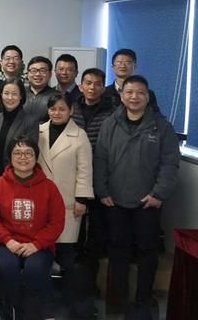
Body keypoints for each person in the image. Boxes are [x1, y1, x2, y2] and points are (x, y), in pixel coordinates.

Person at [94, 75, 179, 318]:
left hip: (148, 203)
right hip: (115, 200)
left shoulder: (161, 127)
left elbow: (170, 164)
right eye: (129, 92)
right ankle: (117, 302)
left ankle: (142, 302)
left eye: (139, 92)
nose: (134, 97)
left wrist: (158, 193)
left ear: (147, 96)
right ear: (121, 96)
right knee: (117, 251)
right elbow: (100, 159)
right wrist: (103, 191)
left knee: (147, 252)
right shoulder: (110, 124)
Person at [0, 136, 65, 320]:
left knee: (35, 268)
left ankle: (34, 314)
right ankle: (9, 312)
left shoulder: (49, 187)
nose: (23, 157)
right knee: (7, 267)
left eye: (28, 153)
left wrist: (36, 244)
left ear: (36, 157)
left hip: (39, 246)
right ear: (10, 157)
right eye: (18, 153)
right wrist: (8, 241)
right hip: (7, 244)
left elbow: (56, 223)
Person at [37, 93, 94, 316]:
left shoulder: (79, 136)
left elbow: (85, 170)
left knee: (66, 253)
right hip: (41, 200)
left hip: (68, 203)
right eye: (53, 109)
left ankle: (69, 303)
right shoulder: (39, 130)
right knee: (42, 251)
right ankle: (44, 299)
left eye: (62, 109)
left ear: (70, 110)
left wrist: (82, 199)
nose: (56, 113)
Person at [70, 67, 115, 294]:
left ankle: (90, 285)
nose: (92, 87)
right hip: (72, 178)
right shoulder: (72, 107)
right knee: (74, 231)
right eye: (88, 82)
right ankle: (73, 281)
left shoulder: (113, 112)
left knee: (97, 233)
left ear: (103, 87)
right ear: (81, 85)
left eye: (97, 83)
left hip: (100, 177)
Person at [0, 78, 38, 177]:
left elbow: (29, 155)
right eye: (6, 93)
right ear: (1, 95)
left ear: (21, 96)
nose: (10, 97)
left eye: (14, 94)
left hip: (18, 177)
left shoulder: (30, 122)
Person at [24, 56, 58, 124]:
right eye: (33, 70)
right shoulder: (20, 93)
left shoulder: (56, 96)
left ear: (50, 74)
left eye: (43, 71)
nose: (37, 74)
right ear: (28, 74)